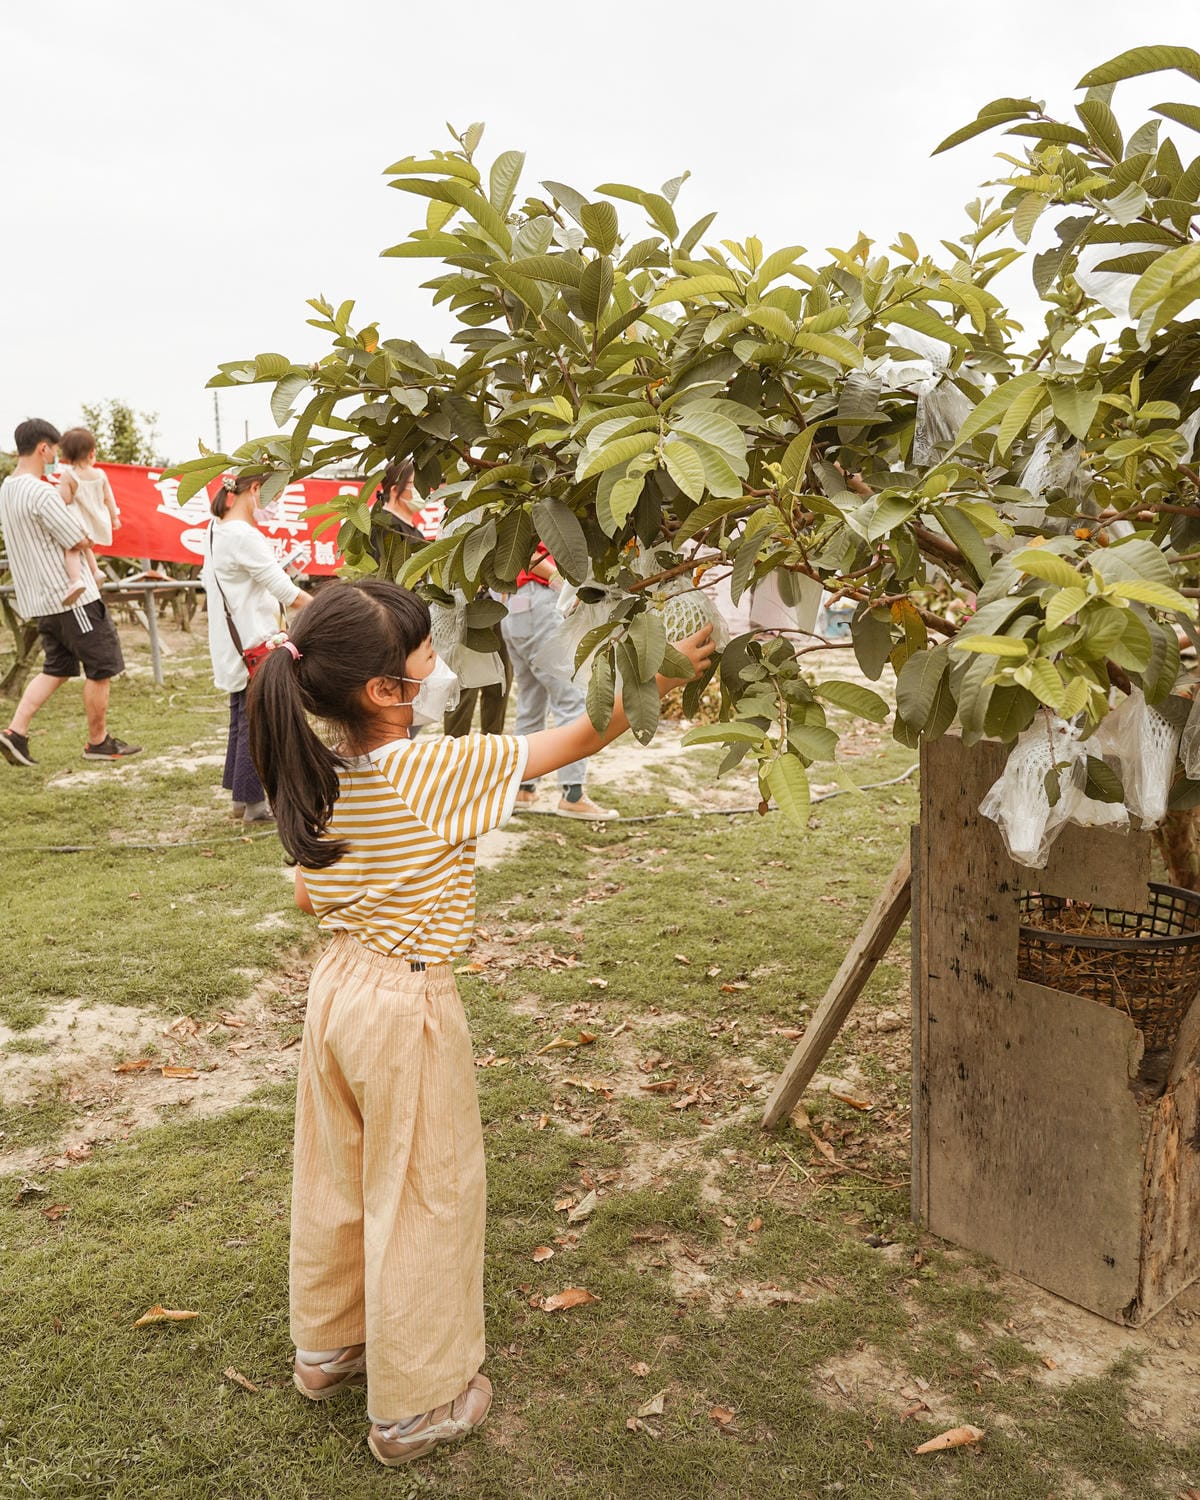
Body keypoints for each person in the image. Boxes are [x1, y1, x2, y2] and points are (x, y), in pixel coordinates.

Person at [247, 577, 713, 1467]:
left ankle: (329, 1348)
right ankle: (416, 1407)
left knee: (339, 1173)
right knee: (424, 1192)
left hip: (336, 992)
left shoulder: (313, 767)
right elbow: (581, 735)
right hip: (404, 1000)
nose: (438, 652)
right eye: (423, 646)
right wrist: (661, 676)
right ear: (388, 689)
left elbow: (310, 896)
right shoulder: (428, 768)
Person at [0, 418, 142, 767]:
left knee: (58, 668)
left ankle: (14, 732)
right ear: (43, 448)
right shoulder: (41, 492)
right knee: (101, 666)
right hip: (72, 597)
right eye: (54, 451)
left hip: (41, 600)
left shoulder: (8, 488)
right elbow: (78, 538)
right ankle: (98, 742)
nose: (56, 459)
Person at [201, 474, 311, 823]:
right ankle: (255, 806)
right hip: (255, 642)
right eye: (268, 490)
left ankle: (241, 800)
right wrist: (333, 610)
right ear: (253, 489)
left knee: (241, 719)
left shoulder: (215, 529)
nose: (271, 499)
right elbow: (287, 593)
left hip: (234, 642)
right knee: (258, 723)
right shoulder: (243, 536)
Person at [502, 544, 618, 819]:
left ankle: (524, 788)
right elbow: (529, 554)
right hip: (538, 604)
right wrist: (560, 580)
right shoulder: (544, 511)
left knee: (532, 701)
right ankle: (572, 793)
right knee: (571, 698)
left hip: (515, 606)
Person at [57, 426, 120, 604]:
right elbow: (109, 498)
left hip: (79, 521)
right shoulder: (100, 474)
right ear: (92, 452)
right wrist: (114, 517)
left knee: (73, 548)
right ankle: (96, 571)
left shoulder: (69, 476)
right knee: (87, 546)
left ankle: (75, 580)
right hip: (97, 519)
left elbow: (66, 500)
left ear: (67, 457)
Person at [368, 459, 427, 572]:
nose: (422, 490)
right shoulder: (385, 526)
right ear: (395, 489)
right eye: (415, 484)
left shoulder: (416, 533)